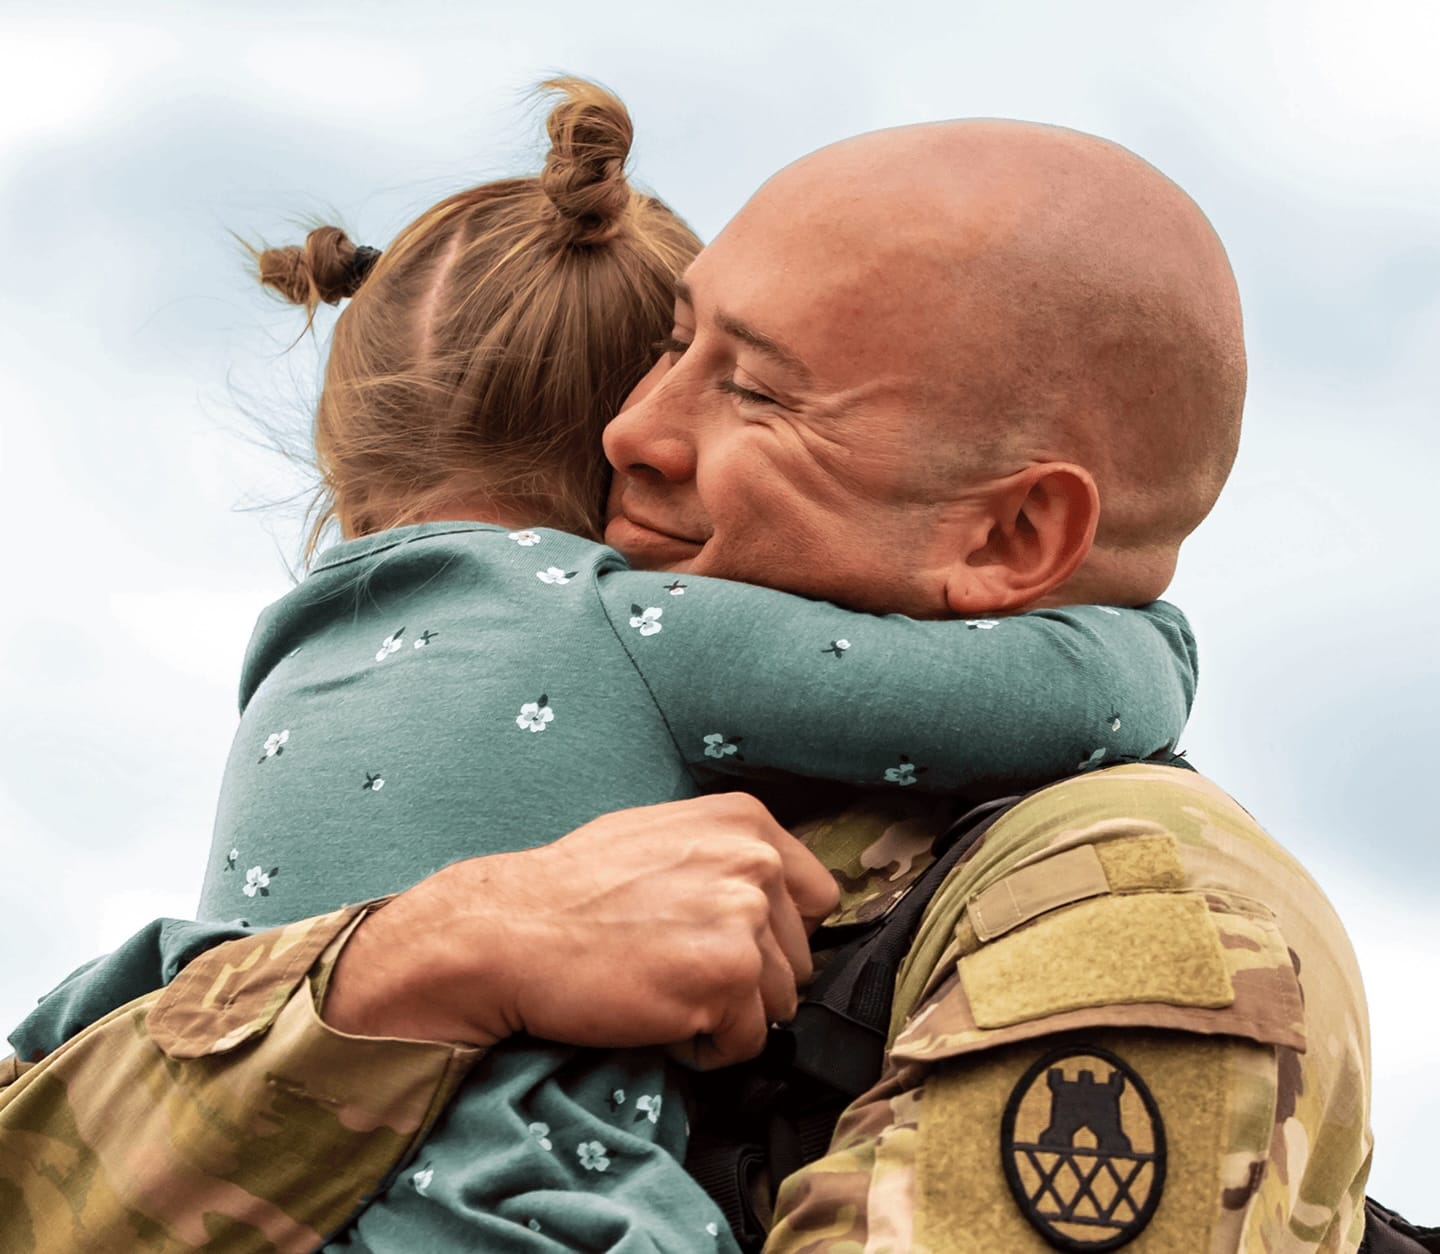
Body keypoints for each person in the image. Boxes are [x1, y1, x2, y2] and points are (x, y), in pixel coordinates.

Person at [1, 116, 1373, 1253]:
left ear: (1013, 538)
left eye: (760, 397)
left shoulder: (1117, 903)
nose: (630, 431)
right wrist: (424, 961)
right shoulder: (606, 772)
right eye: (673, 346)